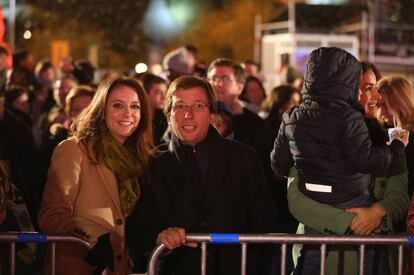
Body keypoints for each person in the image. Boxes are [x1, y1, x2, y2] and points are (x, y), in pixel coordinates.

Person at [271, 47, 408, 274]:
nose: (374, 96)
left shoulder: (388, 139)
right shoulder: (313, 136)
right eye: (365, 88)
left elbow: (399, 196)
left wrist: (378, 212)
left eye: (376, 88)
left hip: (374, 247)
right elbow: (296, 198)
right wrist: (350, 222)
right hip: (323, 247)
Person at [126, 76, 277, 275]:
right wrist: (159, 236)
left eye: (198, 106)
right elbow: (136, 228)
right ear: (169, 114)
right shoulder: (151, 163)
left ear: (211, 115)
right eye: (180, 106)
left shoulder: (244, 159)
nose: (189, 114)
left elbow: (264, 221)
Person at [38, 77, 155, 275]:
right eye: (118, 105)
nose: (128, 113)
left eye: (135, 106)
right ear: (101, 109)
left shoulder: (139, 159)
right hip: (79, 266)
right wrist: (95, 237)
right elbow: (51, 215)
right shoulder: (74, 149)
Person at [138, 73, 168, 145]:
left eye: (165, 92)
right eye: (158, 92)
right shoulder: (137, 118)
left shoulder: (164, 119)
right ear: (145, 93)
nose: (164, 97)